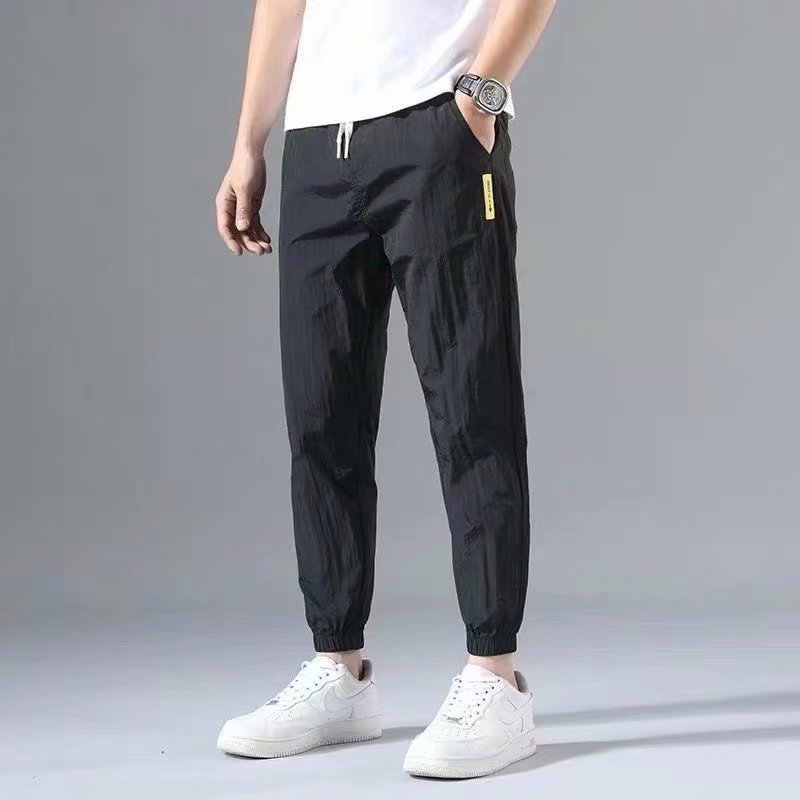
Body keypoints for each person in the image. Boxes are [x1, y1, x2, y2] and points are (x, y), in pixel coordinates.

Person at [214, 0, 556, 779]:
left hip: (437, 124)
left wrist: (480, 96)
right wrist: (248, 143)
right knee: (320, 416)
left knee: (472, 406)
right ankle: (338, 668)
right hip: (317, 146)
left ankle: (495, 676)